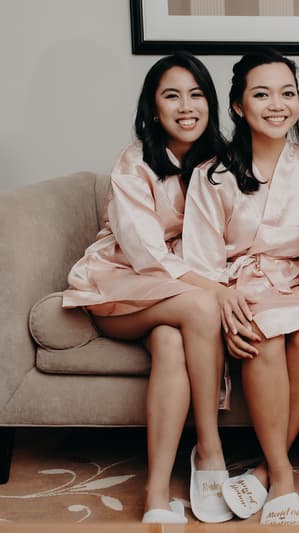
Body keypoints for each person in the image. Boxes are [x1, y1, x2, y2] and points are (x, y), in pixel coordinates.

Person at [62, 53, 233, 524]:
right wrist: (216, 292)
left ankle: (157, 492)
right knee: (200, 308)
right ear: (153, 108)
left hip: (173, 303)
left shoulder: (222, 161)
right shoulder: (135, 161)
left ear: (210, 103)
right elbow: (147, 256)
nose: (186, 106)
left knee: (171, 341)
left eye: (196, 95)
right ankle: (210, 449)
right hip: (122, 286)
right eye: (171, 96)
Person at [181, 50, 299, 526]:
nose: (277, 104)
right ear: (238, 106)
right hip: (239, 285)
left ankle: (266, 467)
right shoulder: (213, 174)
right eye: (262, 94)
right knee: (263, 334)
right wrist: (222, 296)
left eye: (288, 93)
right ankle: (284, 476)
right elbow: (198, 259)